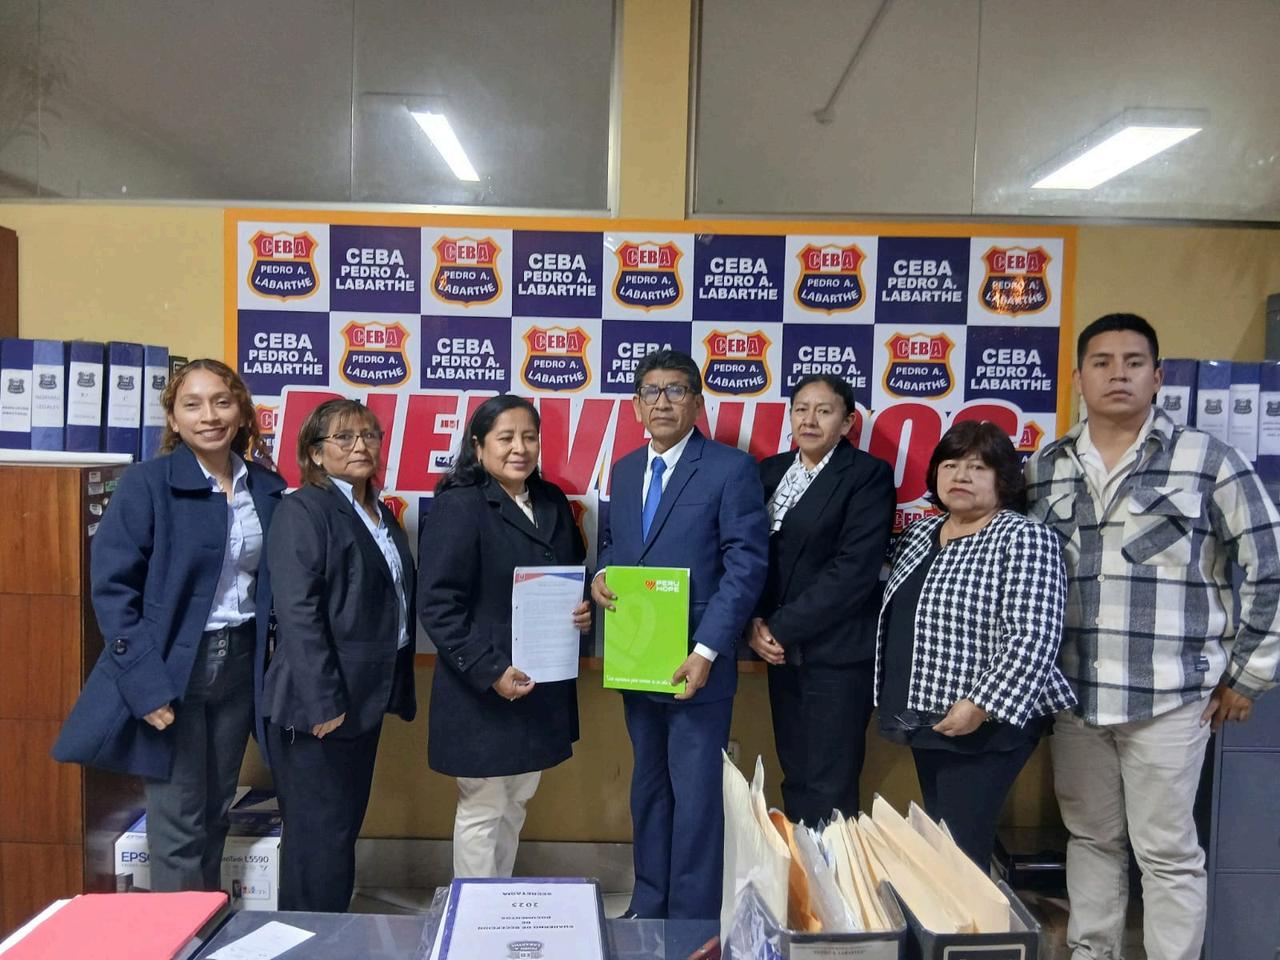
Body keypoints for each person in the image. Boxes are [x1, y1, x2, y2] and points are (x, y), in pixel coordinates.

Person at [1026, 313, 1280, 960]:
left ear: (1157, 376)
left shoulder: (1208, 460)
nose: (1118, 374)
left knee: (1167, 853)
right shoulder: (1046, 467)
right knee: (1091, 841)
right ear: (1078, 377)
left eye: (1133, 362)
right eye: (1102, 362)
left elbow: (1270, 563)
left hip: (1169, 697)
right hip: (1074, 696)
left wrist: (1249, 674)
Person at [52, 359, 285, 892]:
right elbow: (113, 593)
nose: (210, 416)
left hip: (240, 663)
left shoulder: (266, 488)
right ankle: (180, 932)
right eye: (192, 405)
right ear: (174, 420)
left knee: (216, 809)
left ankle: (207, 921)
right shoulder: (147, 484)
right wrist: (144, 685)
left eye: (222, 402)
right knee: (178, 820)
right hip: (173, 670)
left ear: (241, 411)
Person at [592, 349, 769, 920]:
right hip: (637, 657)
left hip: (698, 662)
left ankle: (692, 920)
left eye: (675, 390)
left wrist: (707, 650)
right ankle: (648, 902)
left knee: (695, 796)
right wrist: (601, 575)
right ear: (635, 405)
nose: (662, 402)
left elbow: (745, 566)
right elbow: (616, 547)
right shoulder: (624, 470)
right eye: (651, 391)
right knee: (648, 787)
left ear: (697, 402)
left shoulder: (729, 468)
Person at [875, 420, 1075, 869]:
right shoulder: (921, 535)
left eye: (978, 467)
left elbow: (1034, 635)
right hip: (928, 713)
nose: (961, 476)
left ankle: (969, 916)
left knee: (962, 847)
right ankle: (948, 913)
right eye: (950, 465)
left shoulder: (1025, 537)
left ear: (1003, 479)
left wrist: (982, 704)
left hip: (986, 721)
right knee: (942, 836)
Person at [418, 395, 591, 879]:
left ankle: (498, 901)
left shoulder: (552, 500)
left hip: (540, 681)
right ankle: (473, 909)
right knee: (484, 805)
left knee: (516, 801)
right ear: (478, 446)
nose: (520, 448)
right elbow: (438, 604)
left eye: (530, 437)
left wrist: (580, 612)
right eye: (506, 437)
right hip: (484, 684)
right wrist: (491, 669)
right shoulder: (460, 505)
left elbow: (570, 573)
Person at [262, 398, 416, 913]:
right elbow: (299, 614)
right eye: (344, 437)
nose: (360, 446)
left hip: (362, 701)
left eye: (369, 435)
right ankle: (310, 940)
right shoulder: (304, 509)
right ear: (315, 452)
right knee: (317, 843)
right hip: (318, 708)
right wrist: (324, 702)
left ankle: (332, 932)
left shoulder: (378, 512)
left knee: (339, 831)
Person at [750, 374, 895, 826]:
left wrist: (779, 627)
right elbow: (748, 555)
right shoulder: (769, 472)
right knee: (795, 774)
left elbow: (852, 572)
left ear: (847, 422)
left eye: (824, 411)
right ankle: (801, 869)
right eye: (801, 409)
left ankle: (834, 872)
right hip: (778, 652)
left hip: (837, 654)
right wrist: (753, 621)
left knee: (830, 784)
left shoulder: (867, 475)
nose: (809, 420)